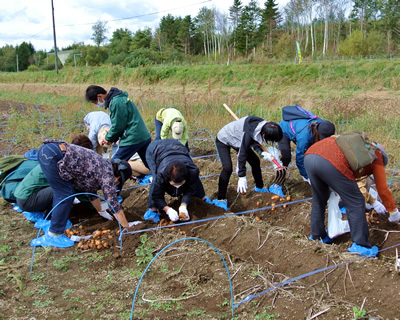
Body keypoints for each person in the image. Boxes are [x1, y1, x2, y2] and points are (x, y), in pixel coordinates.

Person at [304, 135, 400, 257]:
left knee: (319, 199)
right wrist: (393, 212)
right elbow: (383, 189)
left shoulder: (359, 145)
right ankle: (361, 245)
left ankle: (318, 235)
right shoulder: (378, 158)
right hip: (330, 161)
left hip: (311, 154)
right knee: (356, 200)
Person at [31, 139, 133, 248]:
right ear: (117, 178)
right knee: (64, 194)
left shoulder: (102, 166)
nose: (115, 184)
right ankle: (54, 234)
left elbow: (91, 192)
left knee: (65, 192)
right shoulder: (107, 175)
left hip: (50, 151)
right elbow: (113, 203)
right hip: (53, 156)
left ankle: (54, 222)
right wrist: (127, 226)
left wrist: (101, 210)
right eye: (117, 182)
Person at [14, 135, 95, 219]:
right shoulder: (66, 162)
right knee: (65, 191)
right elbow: (77, 188)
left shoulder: (62, 154)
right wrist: (93, 207)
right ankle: (52, 218)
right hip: (27, 199)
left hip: (24, 195)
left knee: (64, 189)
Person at [213, 116, 283, 211]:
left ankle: (259, 187)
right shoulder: (249, 132)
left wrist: (262, 153)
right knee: (227, 168)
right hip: (225, 138)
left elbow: (255, 141)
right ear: (264, 134)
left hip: (239, 138)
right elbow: (242, 154)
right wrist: (242, 176)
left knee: (255, 161)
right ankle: (221, 199)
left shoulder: (265, 126)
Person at [144, 139, 212, 223]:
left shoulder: (192, 171)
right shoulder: (161, 175)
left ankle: (202, 198)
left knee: (194, 181)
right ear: (169, 179)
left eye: (182, 183)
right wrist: (167, 210)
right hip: (155, 150)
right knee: (155, 182)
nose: (178, 186)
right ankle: (153, 210)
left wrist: (183, 205)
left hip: (177, 147)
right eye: (175, 184)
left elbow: (191, 189)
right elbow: (157, 195)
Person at [85, 85, 151, 166]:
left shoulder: (116, 103)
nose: (96, 104)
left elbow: (118, 127)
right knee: (151, 165)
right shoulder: (119, 98)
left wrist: (107, 138)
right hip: (143, 136)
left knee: (113, 165)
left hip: (132, 138)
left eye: (94, 102)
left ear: (100, 96)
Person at [278, 106, 335, 183]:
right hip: (283, 130)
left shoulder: (325, 126)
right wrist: (307, 178)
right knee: (286, 156)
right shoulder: (304, 137)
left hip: (299, 129)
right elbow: (299, 158)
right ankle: (279, 181)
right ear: (318, 132)